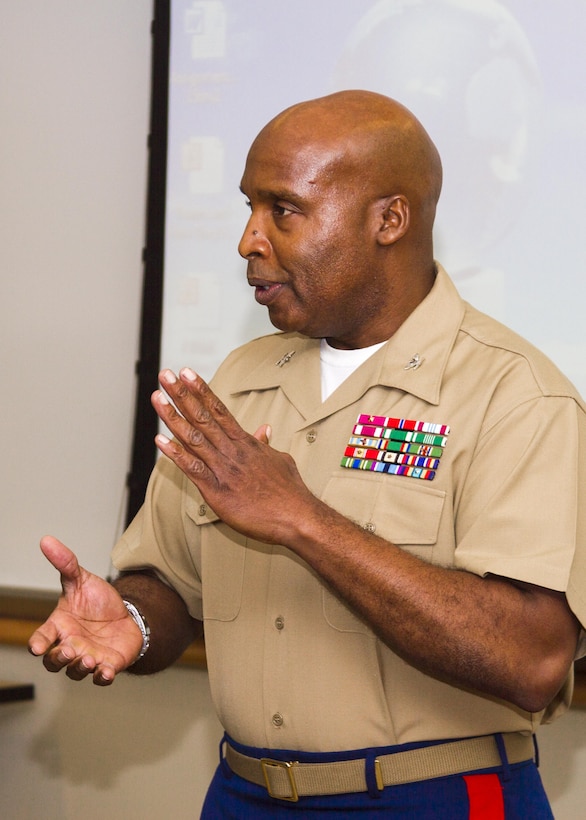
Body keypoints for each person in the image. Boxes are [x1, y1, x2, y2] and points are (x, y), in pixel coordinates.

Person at [29, 90, 586, 818]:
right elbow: (168, 582)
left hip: (435, 798)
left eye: (282, 210)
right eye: (248, 208)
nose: (248, 240)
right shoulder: (238, 380)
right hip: (243, 793)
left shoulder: (516, 396)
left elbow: (533, 660)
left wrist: (302, 519)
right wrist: (131, 620)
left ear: (390, 219)